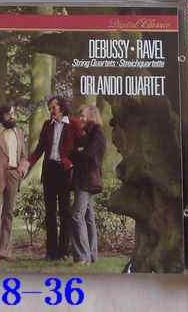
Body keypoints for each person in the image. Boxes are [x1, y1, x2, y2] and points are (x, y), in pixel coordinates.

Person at [22, 96, 76, 261]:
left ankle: (64, 251)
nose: (51, 110)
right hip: (49, 171)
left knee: (65, 212)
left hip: (64, 171)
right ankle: (51, 252)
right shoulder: (47, 125)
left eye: (53, 107)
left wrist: (72, 163)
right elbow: (39, 149)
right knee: (50, 213)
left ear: (62, 107)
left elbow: (79, 146)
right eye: (50, 108)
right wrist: (28, 163)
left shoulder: (72, 124)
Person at [0, 103, 28, 266]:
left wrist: (22, 169)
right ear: (2, 116)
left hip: (14, 176)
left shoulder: (20, 133)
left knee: (8, 215)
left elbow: (24, 156)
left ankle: (4, 250)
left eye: (14, 113)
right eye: (9, 114)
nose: (12, 116)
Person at [70, 105, 106, 265]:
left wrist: (77, 152)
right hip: (84, 179)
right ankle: (92, 255)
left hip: (87, 180)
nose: (80, 119)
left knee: (77, 216)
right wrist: (78, 151)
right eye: (80, 116)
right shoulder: (88, 134)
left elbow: (87, 155)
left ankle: (83, 256)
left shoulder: (97, 134)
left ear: (92, 116)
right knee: (88, 217)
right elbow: (77, 150)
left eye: (83, 116)